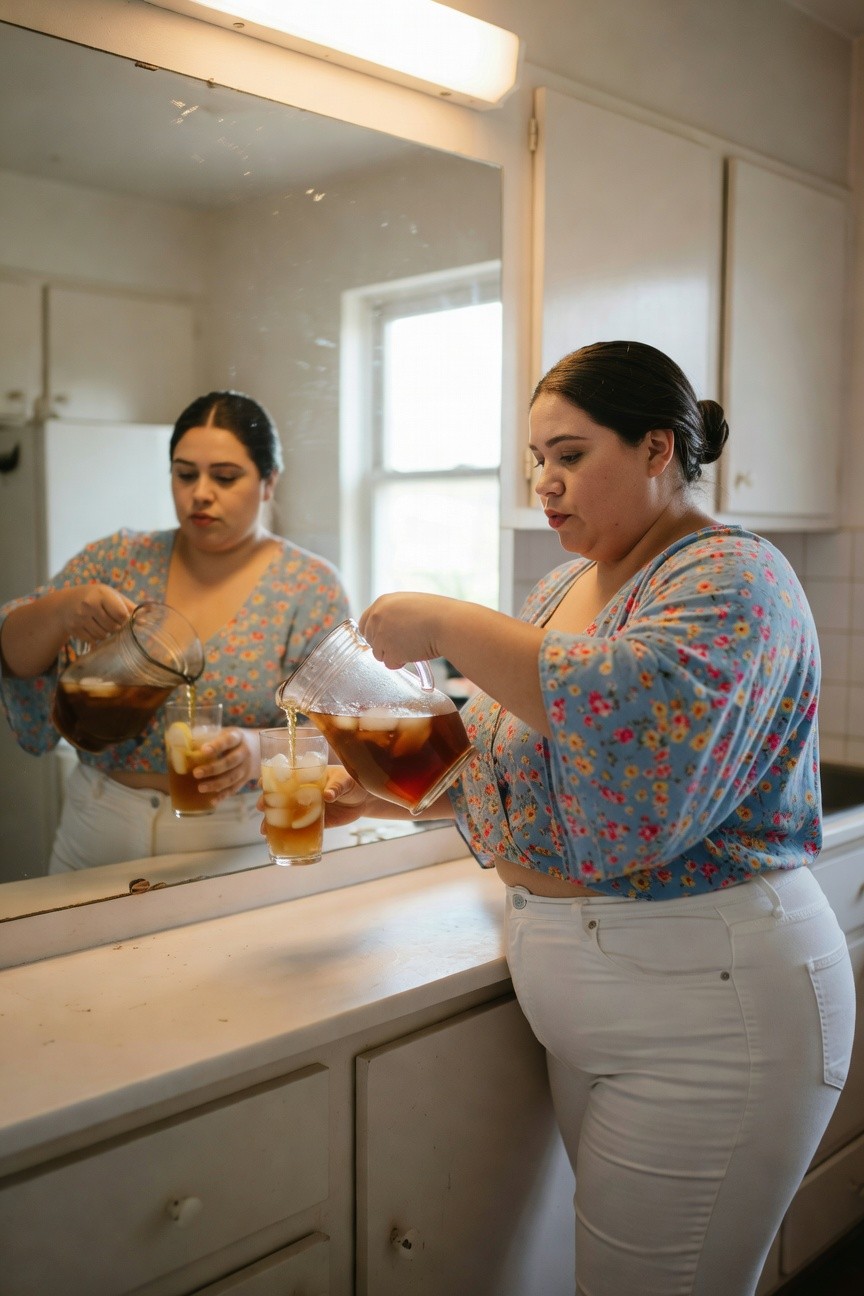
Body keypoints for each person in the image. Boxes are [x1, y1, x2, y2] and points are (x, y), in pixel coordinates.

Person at [319, 341, 857, 1295]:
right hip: (602, 1008)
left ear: (657, 449)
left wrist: (446, 621)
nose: (545, 483)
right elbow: (534, 766)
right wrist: (402, 789)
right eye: (535, 460)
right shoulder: (562, 591)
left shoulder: (737, 577)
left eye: (569, 455)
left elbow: (630, 713)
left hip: (714, 1011)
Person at [0, 390, 350, 873]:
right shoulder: (117, 559)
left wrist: (254, 752)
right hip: (99, 823)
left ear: (269, 482)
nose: (201, 493)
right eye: (185, 474)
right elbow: (13, 654)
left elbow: (336, 728)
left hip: (231, 837)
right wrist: (61, 611)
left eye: (225, 477)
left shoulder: (308, 586)